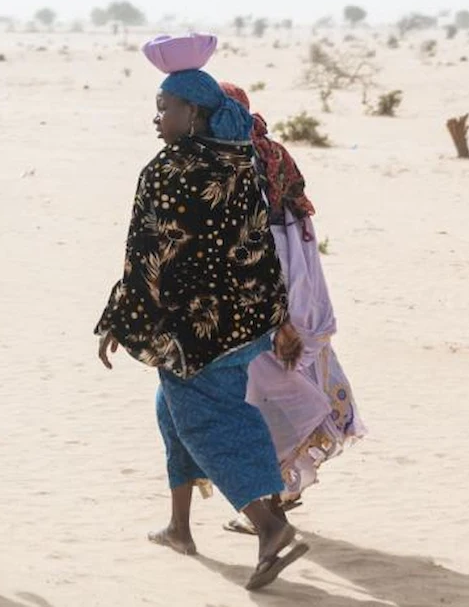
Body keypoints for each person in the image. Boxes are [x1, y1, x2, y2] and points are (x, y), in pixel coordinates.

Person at [96, 66, 309, 591]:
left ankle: (269, 525)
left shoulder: (168, 169)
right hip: (243, 323)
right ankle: (179, 527)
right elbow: (262, 248)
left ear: (193, 114)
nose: (157, 116)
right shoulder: (240, 163)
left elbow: (148, 255)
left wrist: (120, 318)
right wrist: (276, 317)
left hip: (195, 332)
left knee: (209, 422)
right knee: (173, 411)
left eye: (165, 106)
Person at [220, 83, 365, 529]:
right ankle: (282, 491)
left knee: (261, 391)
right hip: (299, 278)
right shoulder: (275, 152)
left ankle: (272, 501)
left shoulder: (232, 162)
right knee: (287, 378)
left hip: (265, 286)